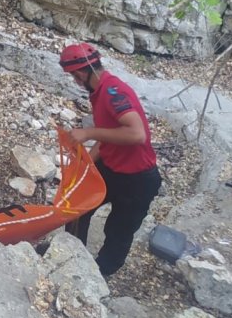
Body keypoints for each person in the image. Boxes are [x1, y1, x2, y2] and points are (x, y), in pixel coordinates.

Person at [61, 42, 161, 277]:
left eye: (75, 77)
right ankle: (69, 256)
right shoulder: (98, 92)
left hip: (137, 179)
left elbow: (137, 134)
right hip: (111, 167)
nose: (75, 82)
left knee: (118, 231)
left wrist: (88, 133)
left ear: (81, 74)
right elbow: (109, 134)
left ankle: (98, 275)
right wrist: (86, 164)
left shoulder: (113, 92)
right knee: (78, 207)